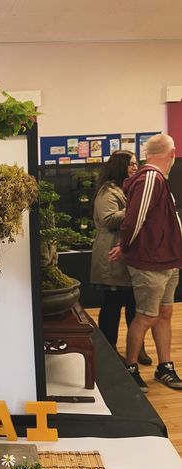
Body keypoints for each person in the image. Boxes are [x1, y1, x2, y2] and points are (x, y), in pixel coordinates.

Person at [109, 134, 182, 392]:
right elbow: (135, 218)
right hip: (151, 261)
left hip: (168, 260)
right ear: (171, 153)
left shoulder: (158, 179)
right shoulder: (151, 177)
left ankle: (165, 366)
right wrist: (126, 246)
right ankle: (131, 367)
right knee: (145, 316)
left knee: (164, 314)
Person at [90, 150, 151, 364]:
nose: (135, 167)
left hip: (128, 257)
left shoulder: (127, 188)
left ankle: (138, 349)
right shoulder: (108, 191)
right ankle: (109, 351)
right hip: (111, 257)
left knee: (135, 305)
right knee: (112, 306)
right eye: (131, 164)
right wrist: (135, 209)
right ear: (119, 167)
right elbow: (108, 220)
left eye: (136, 163)